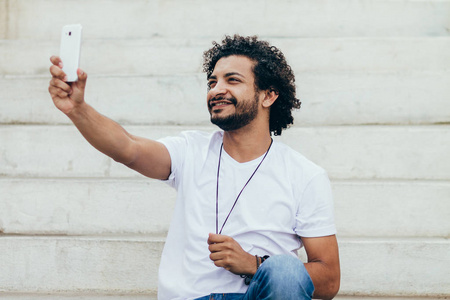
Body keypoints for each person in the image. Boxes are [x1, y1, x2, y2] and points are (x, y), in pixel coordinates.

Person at [48, 35, 340, 300]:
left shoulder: (304, 175)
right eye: (212, 82)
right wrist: (78, 109)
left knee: (286, 271)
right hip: (190, 297)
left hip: (259, 296)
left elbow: (328, 280)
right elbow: (128, 148)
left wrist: (253, 265)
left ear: (268, 95)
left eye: (232, 80)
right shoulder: (190, 151)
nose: (217, 90)